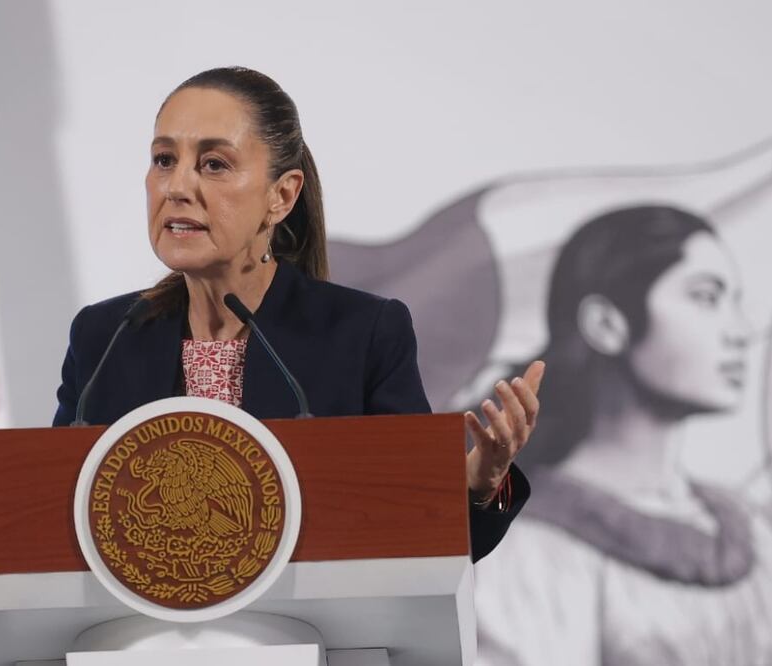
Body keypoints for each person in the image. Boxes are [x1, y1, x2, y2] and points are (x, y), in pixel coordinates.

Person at [52, 66, 543, 562]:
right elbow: (50, 517)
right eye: (164, 159)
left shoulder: (361, 335)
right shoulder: (104, 337)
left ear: (282, 196)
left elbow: (421, 535)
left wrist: (480, 486)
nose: (176, 186)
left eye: (214, 164)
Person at [474, 206, 772, 665]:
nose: (741, 332)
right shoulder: (528, 547)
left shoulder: (753, 528)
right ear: (606, 324)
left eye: (735, 301)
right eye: (706, 297)